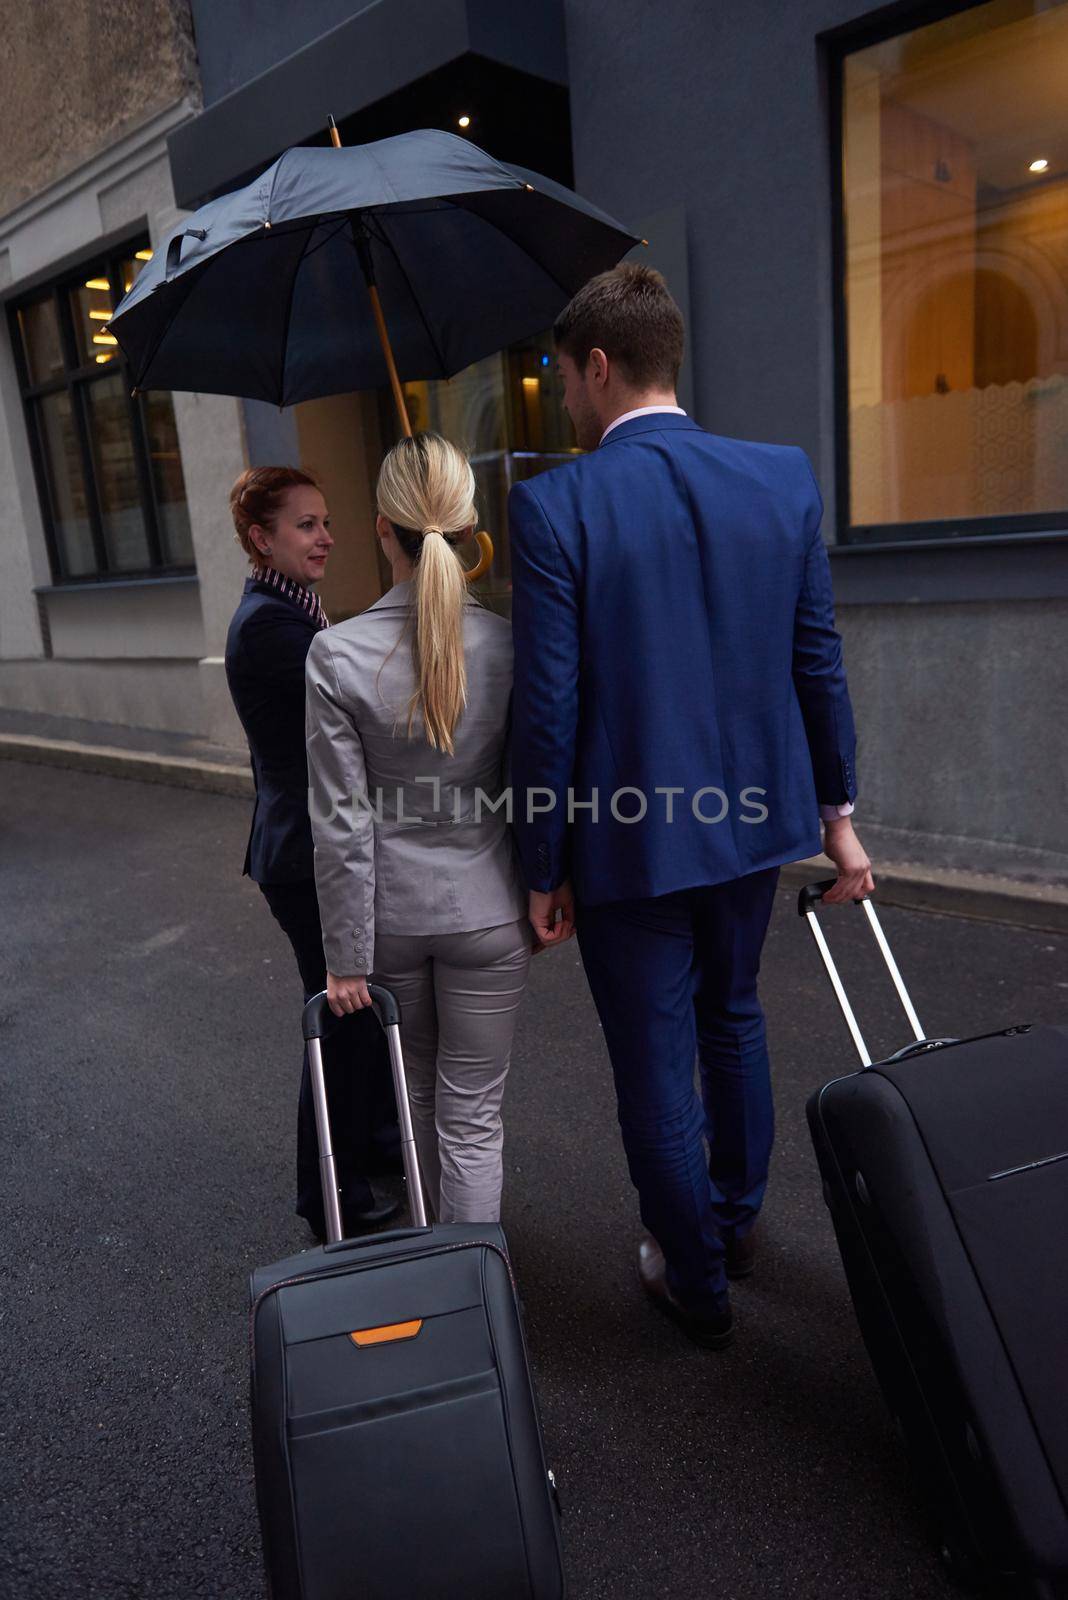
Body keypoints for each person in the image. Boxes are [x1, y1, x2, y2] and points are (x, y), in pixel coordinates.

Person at [508, 264, 873, 1350]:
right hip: (758, 822)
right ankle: (737, 1223)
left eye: (564, 377)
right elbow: (818, 660)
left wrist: (540, 861)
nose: (563, 398)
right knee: (735, 1017)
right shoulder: (780, 478)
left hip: (630, 839)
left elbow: (549, 705)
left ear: (602, 366)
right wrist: (837, 813)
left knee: (657, 1058)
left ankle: (696, 1279)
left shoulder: (554, 503)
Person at [305, 432, 531, 1225]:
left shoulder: (335, 655)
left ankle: (439, 1275)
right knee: (473, 1117)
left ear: (380, 527)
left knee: (420, 1102)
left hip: (394, 919)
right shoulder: (509, 645)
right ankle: (478, 1284)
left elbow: (340, 822)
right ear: (468, 526)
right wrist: (548, 886)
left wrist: (345, 958)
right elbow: (536, 783)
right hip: (491, 906)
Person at [224, 466, 400, 1241]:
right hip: (304, 855)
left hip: (312, 845)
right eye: (306, 524)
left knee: (357, 1014)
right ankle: (329, 1197)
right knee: (340, 1016)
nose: (326, 536)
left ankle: (371, 1148)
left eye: (327, 521)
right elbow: (357, 700)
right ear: (262, 538)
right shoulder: (270, 628)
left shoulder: (294, 611)